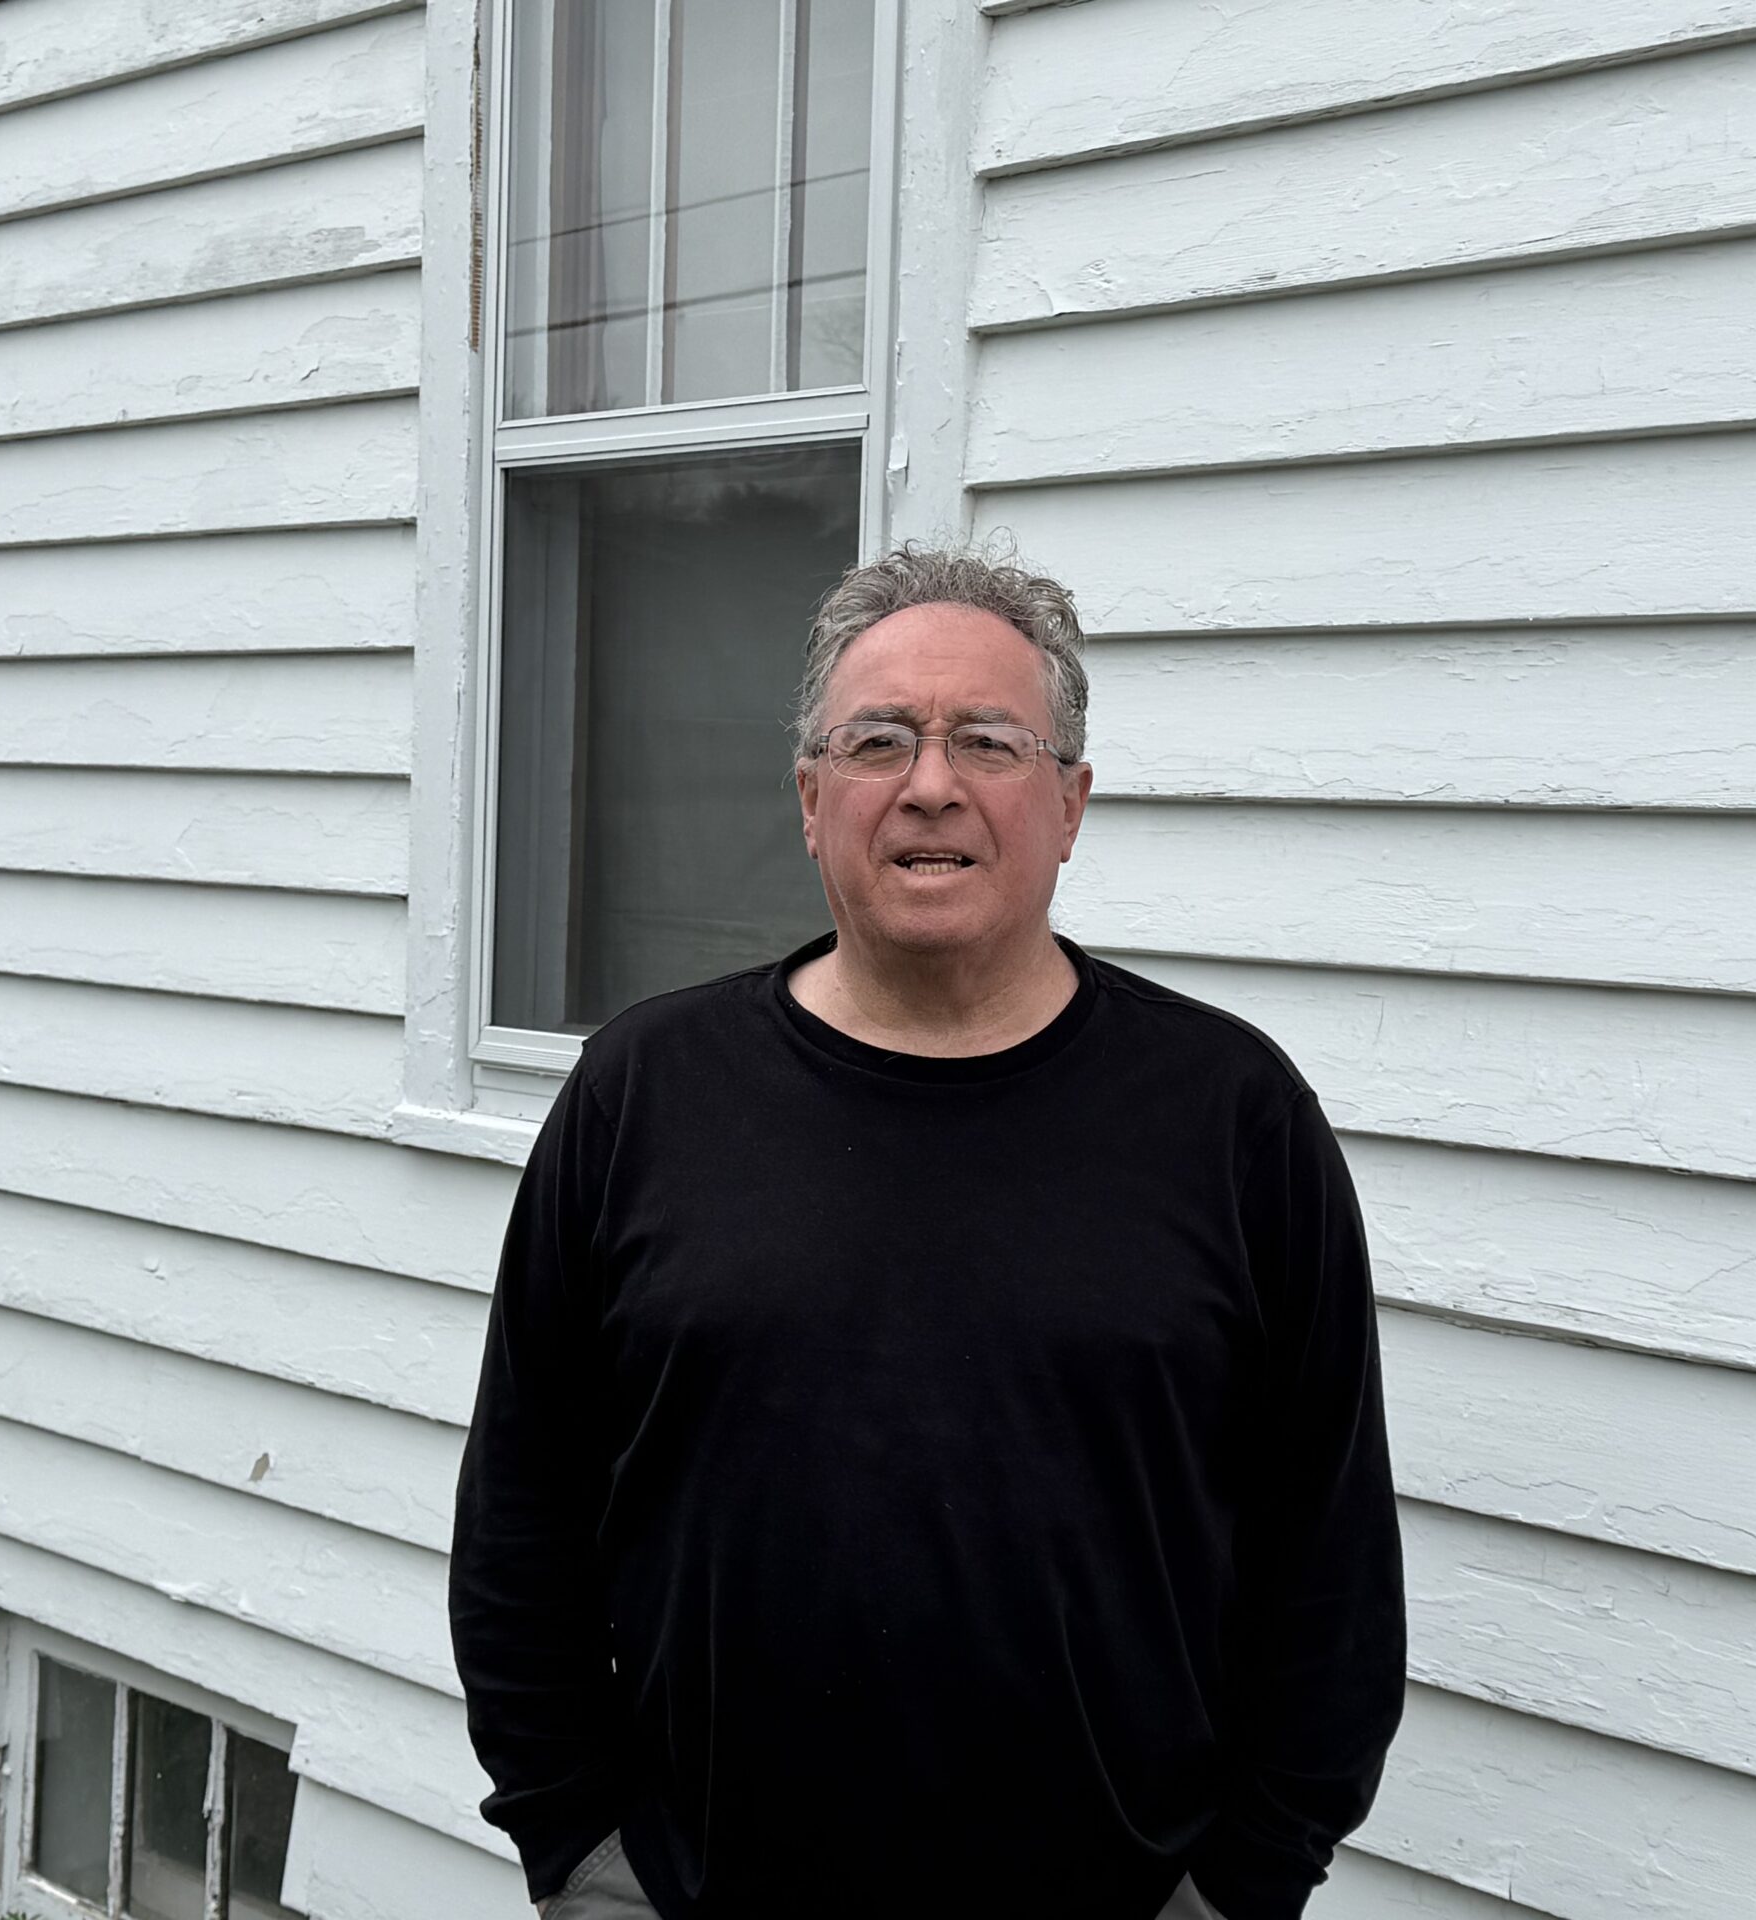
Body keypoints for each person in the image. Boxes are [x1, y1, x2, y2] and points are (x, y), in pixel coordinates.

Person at [449, 545, 1406, 1920]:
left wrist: (1241, 1887)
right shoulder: (643, 1096)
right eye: (878, 740)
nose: (931, 785)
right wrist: (581, 1853)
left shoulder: (1233, 1119)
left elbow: (1331, 1578)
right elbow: (520, 1525)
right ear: (810, 798)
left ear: (1070, 804)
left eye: (990, 742)